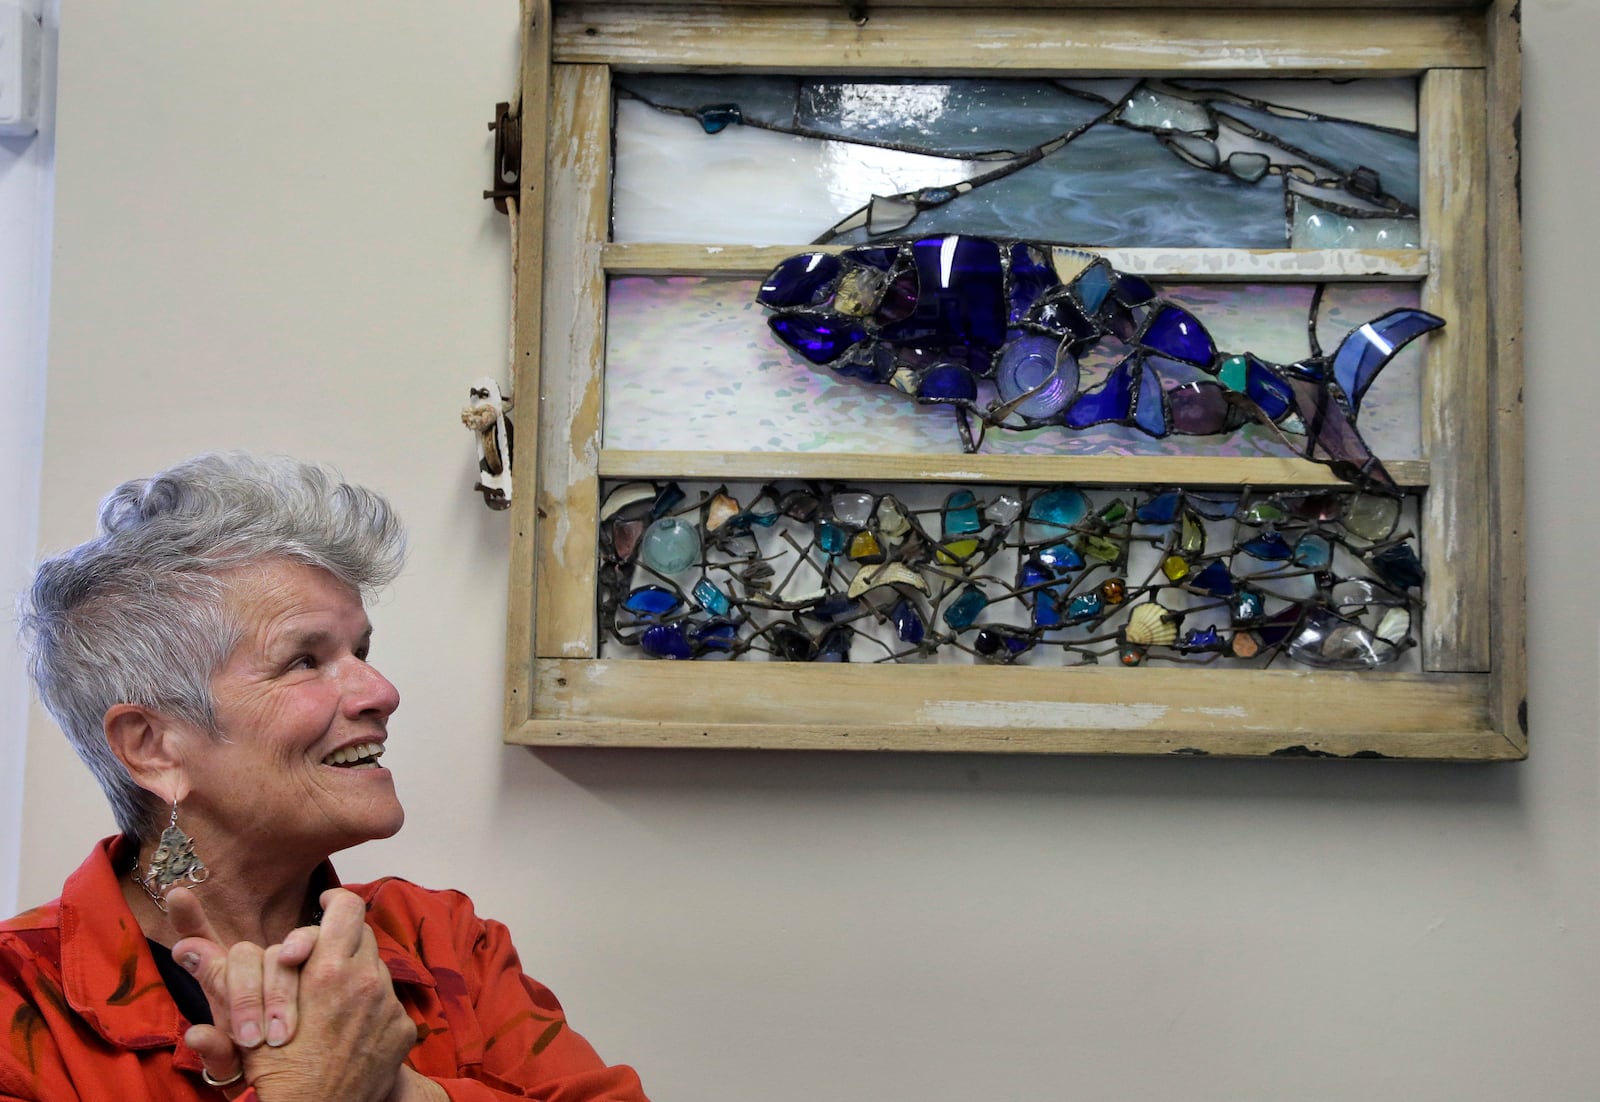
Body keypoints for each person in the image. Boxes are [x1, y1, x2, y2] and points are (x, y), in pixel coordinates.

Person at [0, 453, 649, 1101]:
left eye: (361, 652)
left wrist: (404, 1095)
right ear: (152, 747)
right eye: (304, 661)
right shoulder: (20, 1002)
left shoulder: (442, 946)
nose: (381, 691)